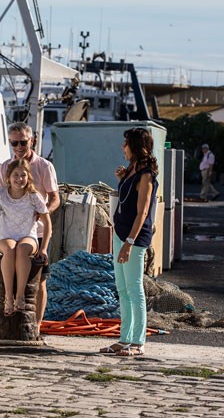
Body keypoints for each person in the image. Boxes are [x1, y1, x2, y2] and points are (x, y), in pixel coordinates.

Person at [0, 122, 60, 331]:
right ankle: (10, 319)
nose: (19, 146)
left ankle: (35, 326)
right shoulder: (5, 168)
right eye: (14, 143)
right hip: (11, 231)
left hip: (36, 232)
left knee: (39, 282)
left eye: (23, 142)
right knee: (8, 274)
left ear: (32, 141)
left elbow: (55, 197)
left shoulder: (44, 166)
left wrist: (43, 212)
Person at [99, 127, 158, 358]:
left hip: (133, 238)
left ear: (135, 147)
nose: (122, 148)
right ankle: (124, 339)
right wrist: (123, 178)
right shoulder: (133, 170)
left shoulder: (146, 175)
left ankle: (138, 341)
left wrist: (129, 242)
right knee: (122, 289)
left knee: (135, 289)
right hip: (120, 233)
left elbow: (142, 212)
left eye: (126, 144)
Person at [0, 159, 52, 315]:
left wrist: (44, 248)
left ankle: (20, 296)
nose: (19, 179)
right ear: (8, 176)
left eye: (23, 175)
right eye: (15, 175)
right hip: (7, 235)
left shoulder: (33, 196)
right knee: (10, 250)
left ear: (28, 177)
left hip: (28, 236)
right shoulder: (0, 195)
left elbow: (47, 223)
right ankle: (9, 297)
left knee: (21, 250)